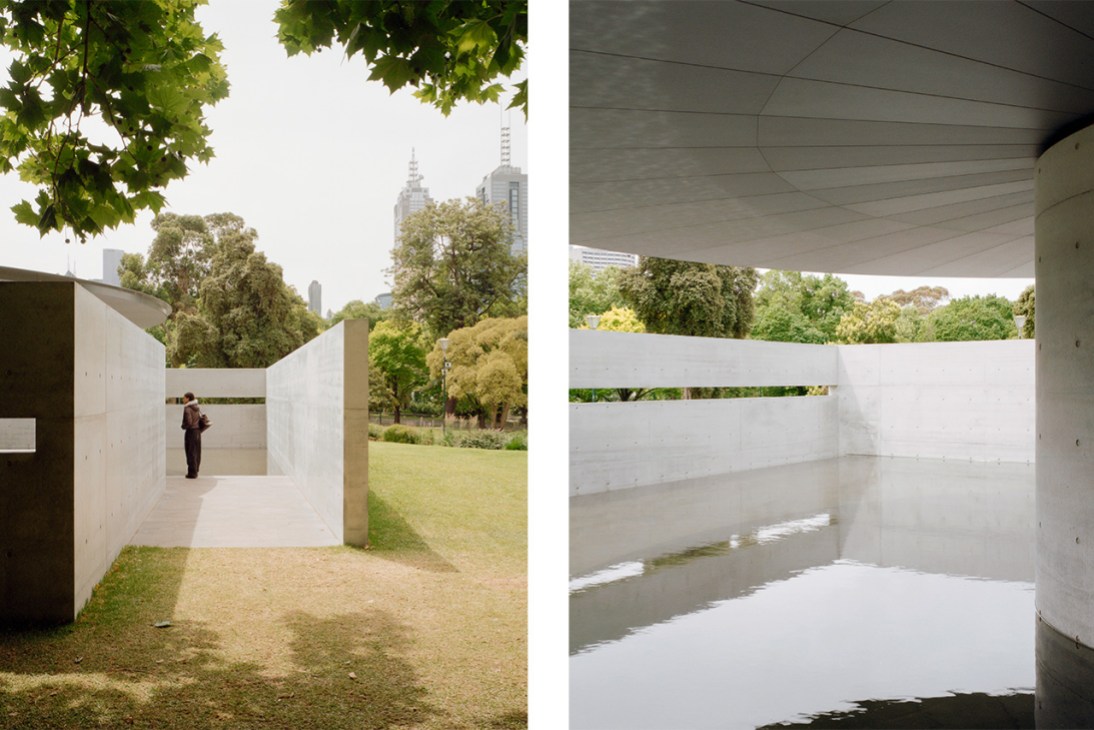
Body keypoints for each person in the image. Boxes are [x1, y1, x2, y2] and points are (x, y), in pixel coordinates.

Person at [181, 392, 203, 479]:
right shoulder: (197, 407)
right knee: (197, 452)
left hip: (191, 432)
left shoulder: (187, 409)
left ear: (188, 398)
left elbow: (189, 423)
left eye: (184, 398)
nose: (183, 400)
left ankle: (192, 473)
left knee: (190, 452)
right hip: (198, 431)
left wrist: (183, 426)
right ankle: (196, 470)